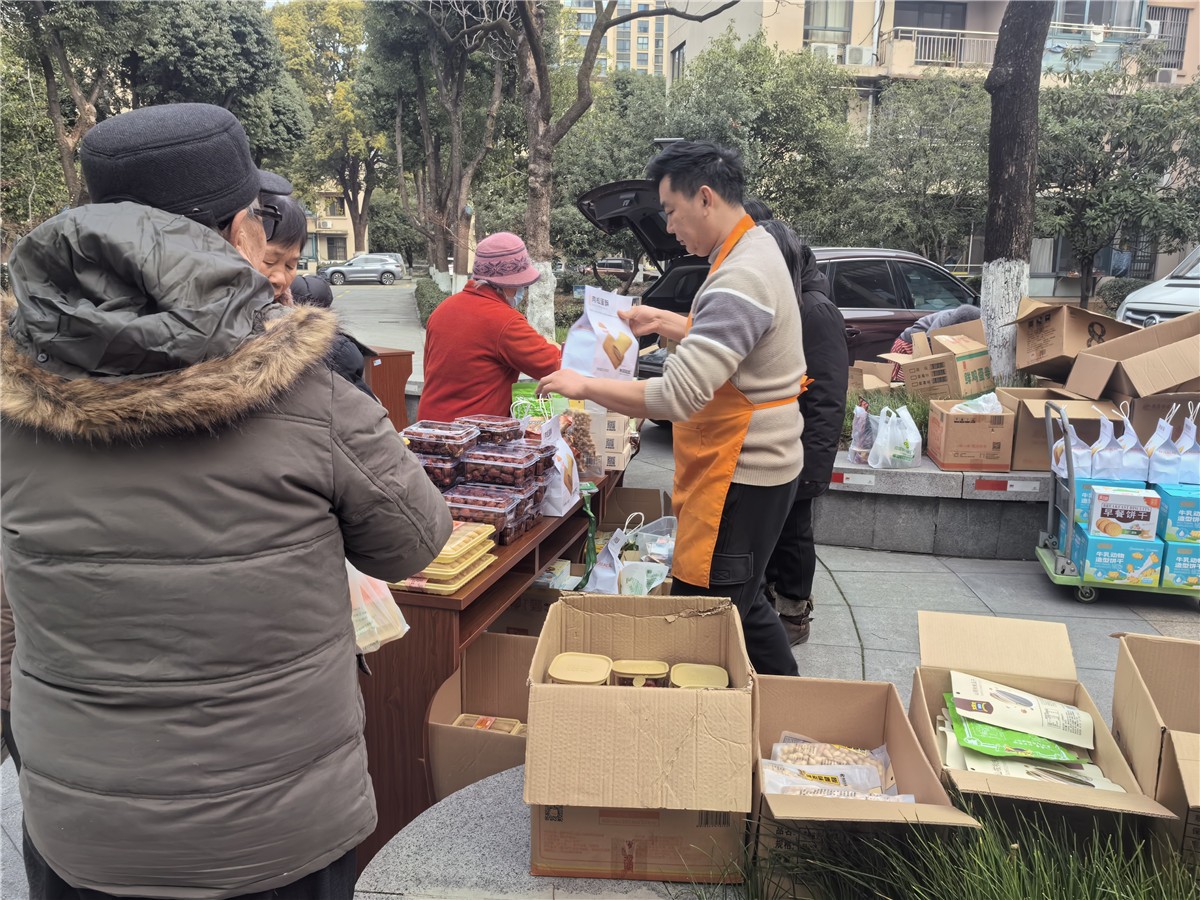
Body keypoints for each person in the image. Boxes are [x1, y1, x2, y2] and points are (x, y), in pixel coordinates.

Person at [0, 102, 453, 899]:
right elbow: (413, 541)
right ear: (243, 230)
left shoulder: (15, 399)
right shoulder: (310, 392)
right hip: (275, 832)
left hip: (86, 832)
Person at [538, 140, 804, 677]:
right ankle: (788, 705)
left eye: (671, 210)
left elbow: (678, 396)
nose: (669, 226)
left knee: (706, 611)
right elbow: (736, 343)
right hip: (759, 465)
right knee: (743, 602)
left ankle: (740, 711)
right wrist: (664, 321)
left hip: (740, 472)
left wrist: (585, 384)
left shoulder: (740, 276)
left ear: (705, 198)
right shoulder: (753, 247)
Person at [757, 219, 849, 645]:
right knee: (778, 532)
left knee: (794, 534)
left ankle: (795, 616)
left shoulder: (816, 310)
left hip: (802, 447)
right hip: (782, 442)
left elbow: (828, 396)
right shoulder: (791, 299)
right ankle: (773, 603)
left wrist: (814, 468)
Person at [418, 231, 561, 421]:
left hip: (429, 426)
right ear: (508, 284)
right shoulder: (505, 320)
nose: (523, 291)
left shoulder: (443, 309)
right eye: (522, 285)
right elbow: (554, 365)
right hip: (471, 432)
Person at [888, 303, 982, 382]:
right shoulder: (944, 320)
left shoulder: (977, 319)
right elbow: (929, 343)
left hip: (923, 344)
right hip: (908, 344)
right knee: (905, 381)